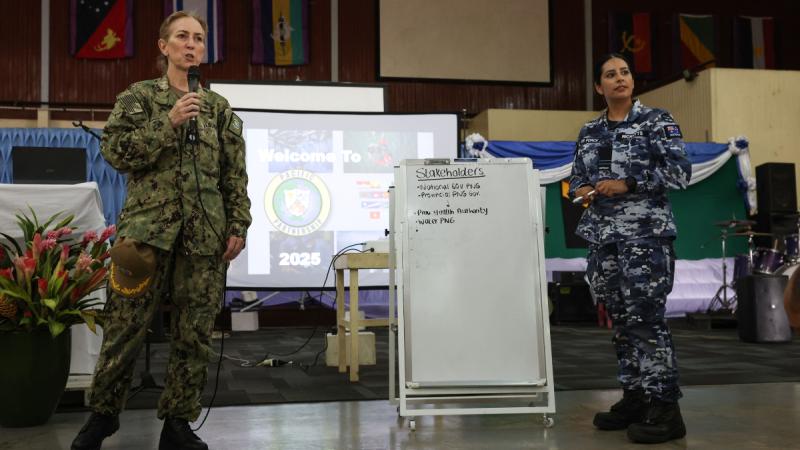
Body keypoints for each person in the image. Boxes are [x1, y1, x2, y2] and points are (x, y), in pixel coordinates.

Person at [71, 11, 251, 450]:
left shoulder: (219, 109)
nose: (191, 45)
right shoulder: (137, 99)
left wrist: (238, 223)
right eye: (183, 37)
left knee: (193, 336)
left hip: (203, 239)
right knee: (124, 328)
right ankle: (103, 415)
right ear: (163, 46)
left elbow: (234, 174)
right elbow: (115, 152)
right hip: (146, 237)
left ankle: (177, 423)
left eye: (199, 39)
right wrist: (166, 122)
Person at [569, 53, 691, 444]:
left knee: (646, 321)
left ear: (632, 82)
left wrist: (629, 183)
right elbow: (575, 179)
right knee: (621, 324)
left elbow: (679, 172)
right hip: (604, 241)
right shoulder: (589, 131)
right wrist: (585, 190)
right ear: (598, 87)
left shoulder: (656, 122)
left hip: (645, 239)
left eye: (624, 72)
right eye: (610, 74)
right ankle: (636, 397)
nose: (619, 78)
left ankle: (666, 408)